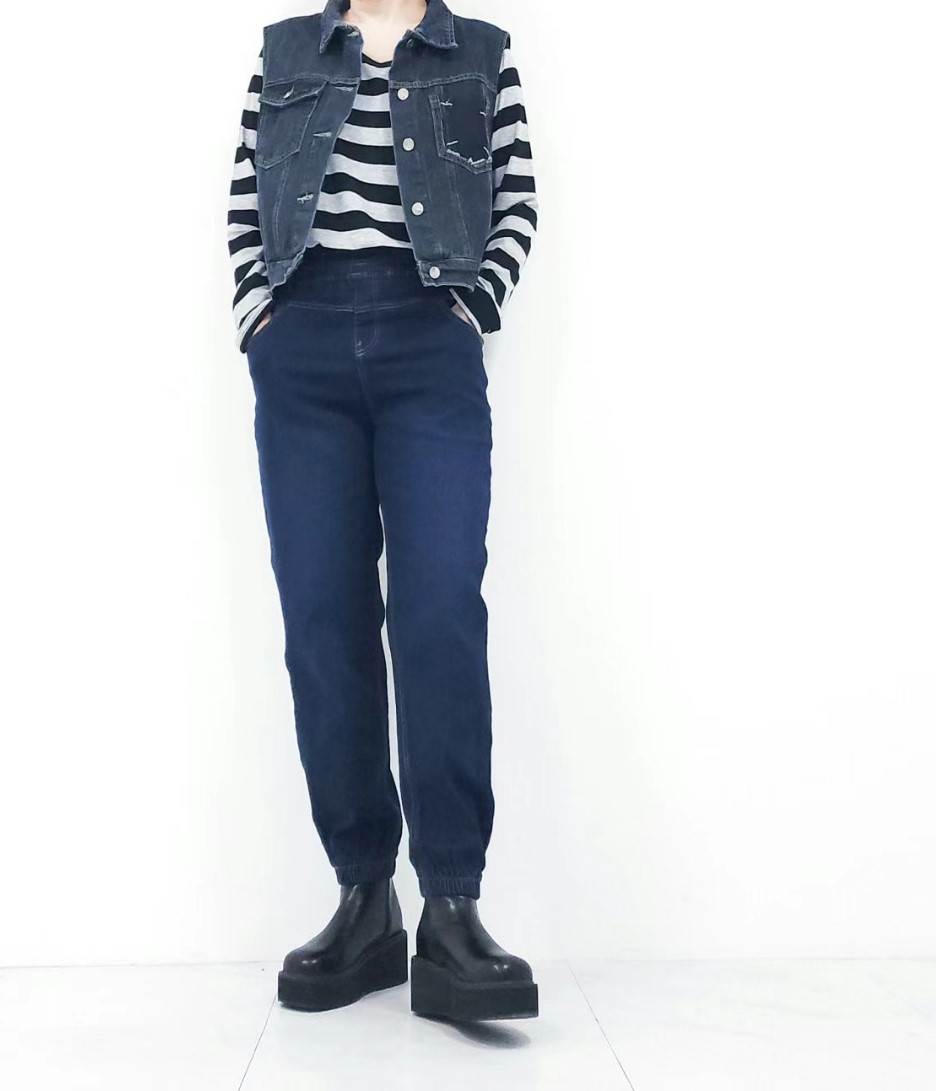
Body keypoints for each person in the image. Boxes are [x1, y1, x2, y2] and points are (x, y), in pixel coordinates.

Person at [227, 0, 539, 1022]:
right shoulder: (284, 52)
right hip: (302, 347)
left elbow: (518, 195)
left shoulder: (480, 52)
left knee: (438, 609)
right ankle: (365, 898)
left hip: (428, 342)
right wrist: (261, 316)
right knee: (323, 620)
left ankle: (451, 904)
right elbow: (245, 194)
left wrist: (470, 308)